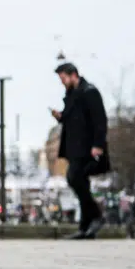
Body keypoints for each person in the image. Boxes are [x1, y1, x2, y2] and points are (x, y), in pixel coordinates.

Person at [51, 62, 108, 239]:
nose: (62, 82)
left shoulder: (89, 92)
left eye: (63, 78)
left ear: (73, 75)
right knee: (80, 182)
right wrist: (60, 117)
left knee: (74, 178)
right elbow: (73, 118)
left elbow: (100, 119)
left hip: (87, 147)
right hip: (74, 147)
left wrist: (98, 145)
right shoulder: (72, 95)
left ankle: (96, 216)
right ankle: (86, 227)